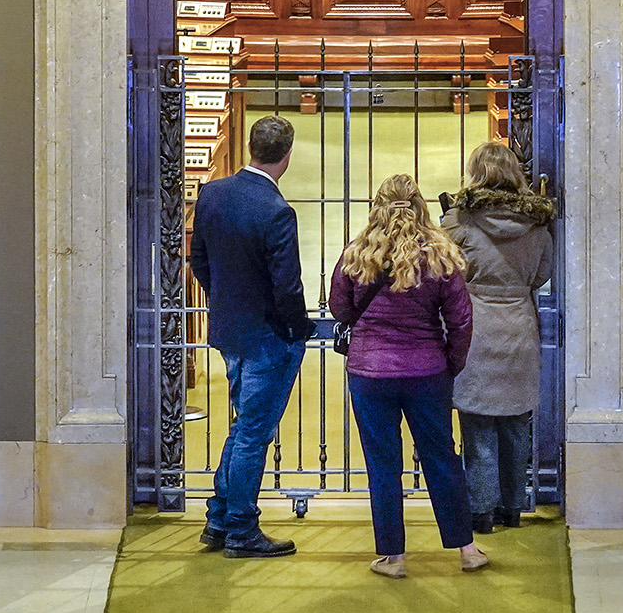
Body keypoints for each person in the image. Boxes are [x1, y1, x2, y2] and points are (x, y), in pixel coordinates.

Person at [329, 174, 487, 578]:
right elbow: (461, 320)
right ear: (420, 205)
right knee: (441, 458)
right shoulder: (440, 254)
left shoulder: (357, 253)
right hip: (427, 370)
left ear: (377, 206)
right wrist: (451, 364)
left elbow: (341, 309)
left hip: (369, 372)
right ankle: (467, 549)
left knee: (383, 463)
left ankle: (393, 557)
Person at [189, 115, 314, 558]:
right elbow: (287, 286)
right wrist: (297, 330)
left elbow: (197, 260)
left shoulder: (213, 194)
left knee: (243, 426)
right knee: (253, 434)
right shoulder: (277, 211)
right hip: (267, 336)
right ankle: (241, 529)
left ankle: (219, 518)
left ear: (250, 148)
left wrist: (226, 297)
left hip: (228, 328)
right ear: (287, 155)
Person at [442, 143, 557, 533]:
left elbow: (448, 273)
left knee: (478, 424)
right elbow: (542, 275)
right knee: (515, 421)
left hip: (476, 325)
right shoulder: (538, 224)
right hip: (519, 326)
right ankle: (512, 506)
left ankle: (481, 512)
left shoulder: (459, 222)